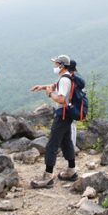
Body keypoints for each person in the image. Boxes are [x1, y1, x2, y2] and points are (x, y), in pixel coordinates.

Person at [29, 54, 78, 188]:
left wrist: (50, 94)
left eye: (56, 64)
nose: (54, 66)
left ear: (62, 65)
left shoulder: (64, 80)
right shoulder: (68, 76)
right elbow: (54, 86)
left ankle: (48, 177)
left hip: (62, 114)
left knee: (52, 144)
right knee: (66, 141)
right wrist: (42, 87)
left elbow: (61, 99)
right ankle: (71, 170)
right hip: (67, 114)